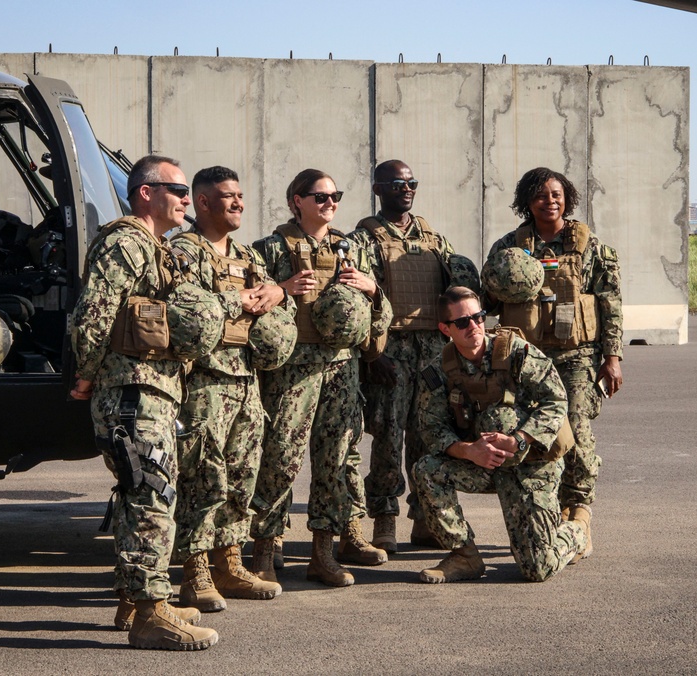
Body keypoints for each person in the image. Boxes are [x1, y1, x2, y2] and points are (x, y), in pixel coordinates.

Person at [70, 155, 221, 650]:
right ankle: (151, 614)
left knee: (143, 492)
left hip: (152, 387)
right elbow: (93, 314)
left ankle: (136, 601)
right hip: (132, 390)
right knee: (151, 495)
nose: (185, 199)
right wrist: (87, 376)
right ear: (146, 194)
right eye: (177, 190)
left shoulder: (153, 246)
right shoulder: (124, 243)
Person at [249, 168, 392, 587]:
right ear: (297, 200)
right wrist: (284, 286)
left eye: (336, 196)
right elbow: (254, 304)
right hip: (293, 371)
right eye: (320, 197)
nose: (330, 203)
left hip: (342, 368)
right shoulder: (271, 248)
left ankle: (323, 553)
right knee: (280, 458)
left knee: (334, 460)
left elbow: (382, 315)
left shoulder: (351, 249)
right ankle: (263, 550)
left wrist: (371, 290)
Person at [483, 167, 623, 561]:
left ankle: (579, 512)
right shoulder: (509, 247)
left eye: (557, 194)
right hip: (526, 358)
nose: (551, 201)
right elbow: (489, 300)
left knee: (577, 429)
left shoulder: (589, 246)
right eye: (541, 195)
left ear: (568, 198)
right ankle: (548, 510)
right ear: (527, 201)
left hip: (577, 355)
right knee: (537, 433)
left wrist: (612, 358)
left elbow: (611, 303)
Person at [169, 166, 289, 612]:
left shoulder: (245, 255)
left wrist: (276, 292)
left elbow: (271, 298)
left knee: (241, 475)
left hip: (246, 378)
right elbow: (185, 312)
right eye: (227, 196)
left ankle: (229, 561)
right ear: (202, 202)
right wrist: (238, 304)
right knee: (203, 478)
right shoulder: (183, 251)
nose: (238, 203)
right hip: (204, 381)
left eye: (240, 195)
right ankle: (195, 570)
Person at [413, 286, 590, 583]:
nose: (474, 326)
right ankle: (464, 556)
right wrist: (468, 451)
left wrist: (520, 438)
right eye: (463, 322)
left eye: (478, 317)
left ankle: (577, 530)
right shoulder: (439, 371)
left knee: (537, 569)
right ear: (445, 329)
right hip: (483, 465)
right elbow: (432, 429)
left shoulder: (517, 353)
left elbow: (556, 400)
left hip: (531, 464)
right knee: (427, 469)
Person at [347, 159, 473, 553]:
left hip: (433, 353)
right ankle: (384, 519)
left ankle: (426, 518)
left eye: (412, 182)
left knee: (430, 434)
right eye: (397, 183)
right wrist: (372, 353)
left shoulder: (434, 239)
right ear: (378, 189)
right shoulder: (363, 239)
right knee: (387, 436)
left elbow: (456, 293)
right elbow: (356, 298)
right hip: (390, 351)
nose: (407, 188)